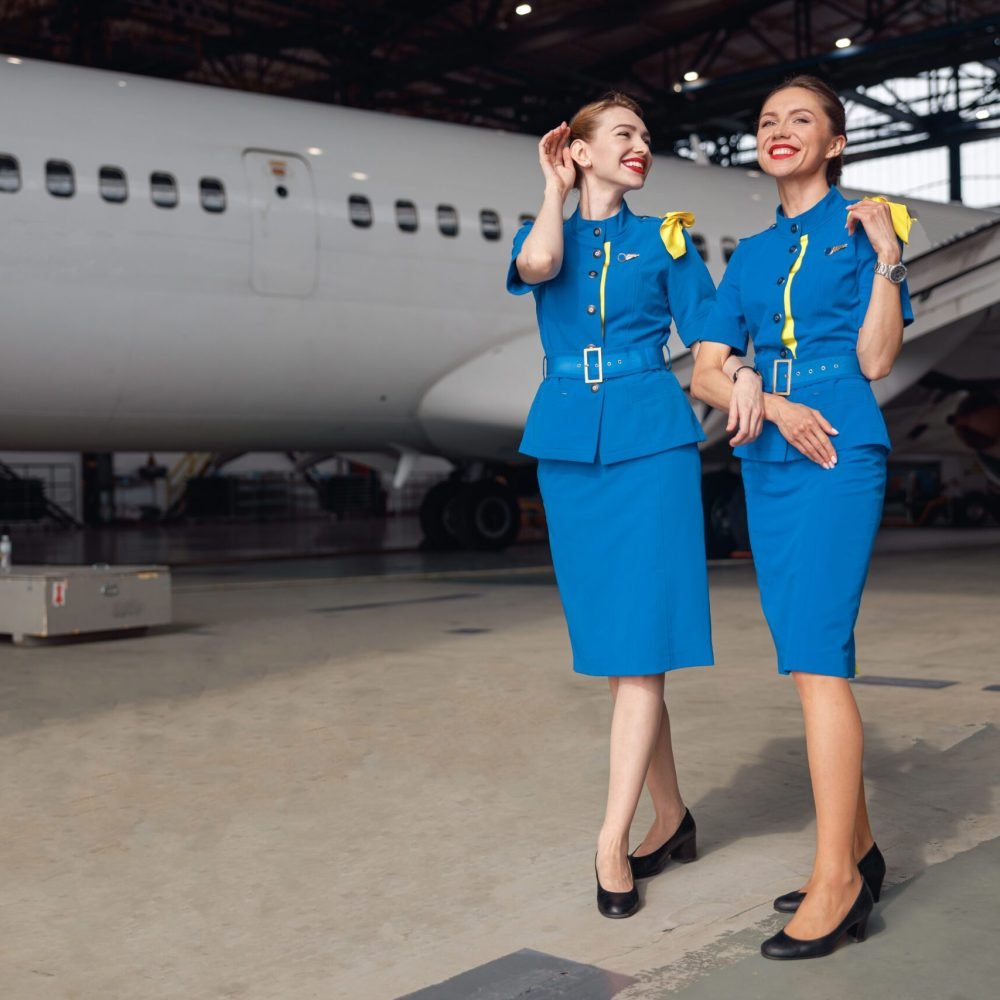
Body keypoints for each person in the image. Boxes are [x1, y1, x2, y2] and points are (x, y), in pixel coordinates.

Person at [507, 92, 762, 918]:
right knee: (621, 657)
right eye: (624, 136)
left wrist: (744, 376)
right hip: (569, 449)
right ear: (578, 152)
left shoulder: (668, 239)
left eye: (646, 137)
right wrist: (550, 188)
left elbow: (712, 336)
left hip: (651, 444)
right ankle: (671, 816)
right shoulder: (546, 231)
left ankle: (610, 841)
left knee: (641, 651)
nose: (642, 147)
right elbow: (542, 267)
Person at [691, 74, 914, 959]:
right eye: (767, 121)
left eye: (801, 120)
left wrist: (889, 260)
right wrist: (755, 388)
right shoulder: (747, 254)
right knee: (802, 658)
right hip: (771, 452)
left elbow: (878, 356)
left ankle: (836, 885)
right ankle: (855, 850)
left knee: (821, 658)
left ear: (837, 142)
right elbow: (707, 369)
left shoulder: (863, 230)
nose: (780, 131)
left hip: (838, 447)